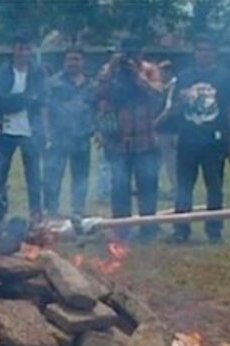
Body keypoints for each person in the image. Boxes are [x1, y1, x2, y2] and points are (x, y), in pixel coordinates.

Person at [168, 35, 230, 244]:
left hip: (214, 142)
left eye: (207, 50)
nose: (203, 53)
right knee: (183, 187)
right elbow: (175, 108)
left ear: (214, 53)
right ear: (194, 53)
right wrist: (174, 132)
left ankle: (214, 231)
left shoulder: (225, 77)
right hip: (188, 139)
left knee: (214, 188)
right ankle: (181, 229)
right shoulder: (184, 77)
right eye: (199, 50)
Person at [97, 37, 162, 241]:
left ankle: (148, 228)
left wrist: (136, 74)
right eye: (126, 52)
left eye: (134, 52)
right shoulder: (109, 70)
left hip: (145, 138)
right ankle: (121, 230)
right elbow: (98, 94)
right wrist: (112, 69)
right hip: (118, 140)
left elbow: (157, 94)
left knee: (148, 186)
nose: (130, 56)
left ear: (141, 52)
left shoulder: (149, 70)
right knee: (119, 187)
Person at [0, 30, 47, 223]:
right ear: (14, 50)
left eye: (27, 49)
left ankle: (36, 214)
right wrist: (26, 99)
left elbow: (42, 99)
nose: (23, 53)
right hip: (7, 129)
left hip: (31, 130)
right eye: (20, 48)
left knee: (34, 176)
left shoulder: (38, 72)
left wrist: (18, 101)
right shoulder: (2, 73)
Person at [44, 46, 95, 217]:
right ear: (64, 62)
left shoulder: (91, 85)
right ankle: (51, 211)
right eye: (70, 59)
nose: (73, 63)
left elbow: (96, 109)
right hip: (58, 137)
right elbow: (45, 109)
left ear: (83, 62)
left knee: (81, 177)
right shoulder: (53, 83)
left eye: (77, 59)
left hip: (82, 137)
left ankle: (77, 211)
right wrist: (46, 133)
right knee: (53, 175)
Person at [155, 60, 178, 200]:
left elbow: (169, 109)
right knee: (156, 160)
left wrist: (154, 123)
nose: (161, 74)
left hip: (170, 129)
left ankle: (176, 189)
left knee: (171, 161)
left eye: (163, 71)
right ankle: (155, 186)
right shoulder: (162, 86)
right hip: (161, 130)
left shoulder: (173, 86)